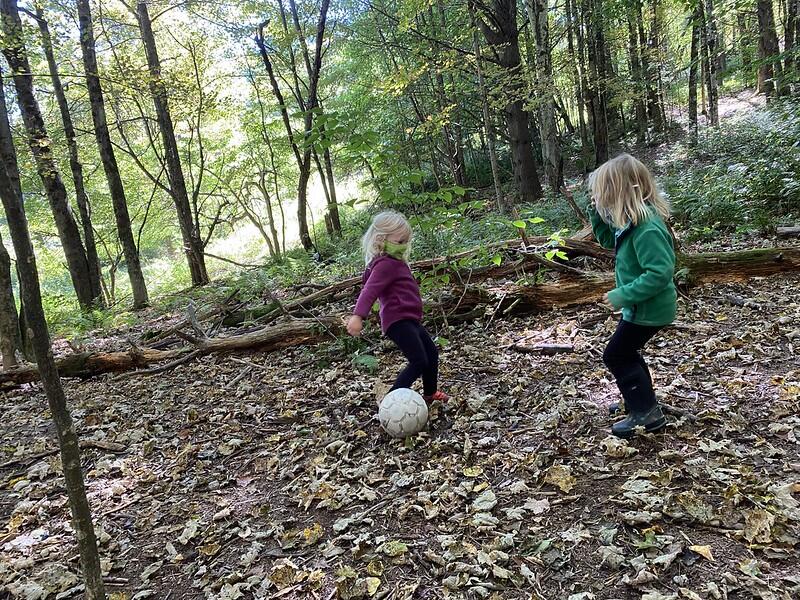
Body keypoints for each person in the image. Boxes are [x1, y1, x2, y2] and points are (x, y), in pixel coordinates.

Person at [588, 154, 677, 438]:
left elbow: (660, 273)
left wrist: (623, 294)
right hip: (641, 308)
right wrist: (595, 214)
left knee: (616, 354)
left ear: (620, 191)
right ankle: (641, 401)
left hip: (649, 309)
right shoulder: (631, 223)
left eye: (603, 192)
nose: (599, 197)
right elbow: (605, 241)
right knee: (627, 352)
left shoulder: (647, 228)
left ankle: (646, 413)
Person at [347, 210, 448, 404]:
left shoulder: (395, 263)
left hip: (409, 319)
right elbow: (369, 290)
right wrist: (358, 316)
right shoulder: (385, 265)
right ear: (381, 239)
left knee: (431, 353)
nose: (403, 246)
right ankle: (391, 401)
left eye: (406, 242)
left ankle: (430, 392)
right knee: (419, 360)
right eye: (399, 242)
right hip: (398, 321)